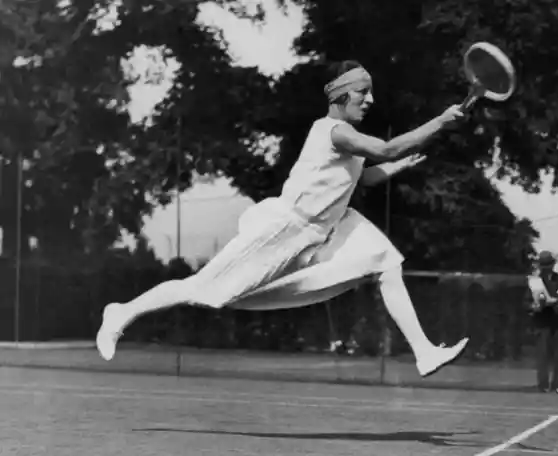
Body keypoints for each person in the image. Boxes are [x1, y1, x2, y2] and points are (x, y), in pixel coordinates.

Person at [96, 60, 469, 377]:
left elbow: (365, 177)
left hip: (327, 229)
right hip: (284, 229)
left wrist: (397, 167)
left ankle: (424, 352)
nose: (370, 99)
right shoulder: (335, 132)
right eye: (362, 92)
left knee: (387, 263)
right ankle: (122, 312)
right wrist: (438, 122)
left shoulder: (350, 140)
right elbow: (385, 149)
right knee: (202, 290)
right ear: (341, 95)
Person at [527, 250, 558, 393]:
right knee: (542, 357)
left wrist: (557, 302)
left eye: (549, 264)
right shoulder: (535, 281)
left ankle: (557, 386)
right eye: (544, 265)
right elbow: (527, 301)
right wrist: (533, 306)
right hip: (542, 322)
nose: (547, 267)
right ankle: (543, 386)